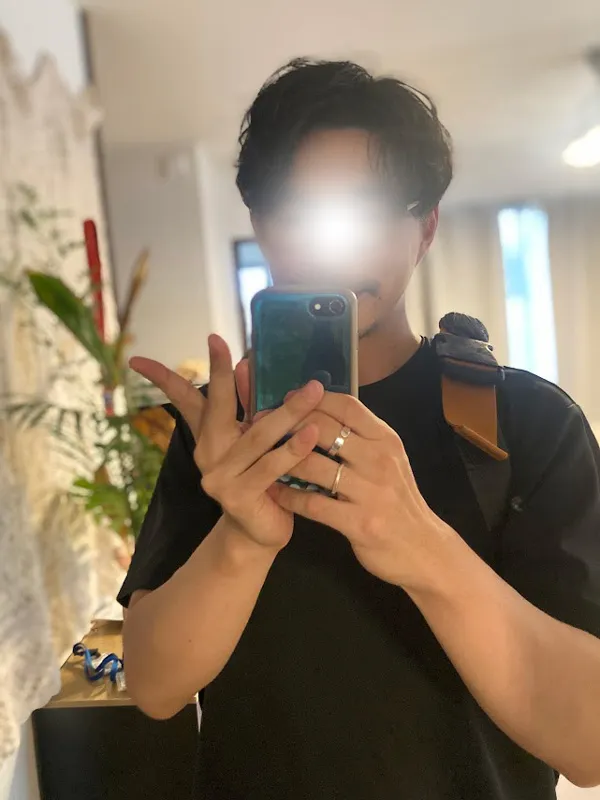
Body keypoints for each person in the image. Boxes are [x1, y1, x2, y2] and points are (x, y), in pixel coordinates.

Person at [118, 59, 600, 799]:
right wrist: (242, 541)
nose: (333, 248)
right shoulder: (225, 427)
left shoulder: (524, 423)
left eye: (370, 208)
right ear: (262, 226)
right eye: (299, 209)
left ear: (425, 227)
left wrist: (422, 546)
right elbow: (153, 687)